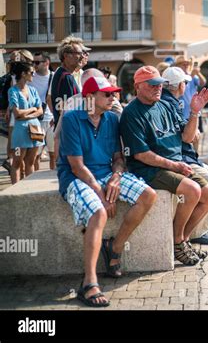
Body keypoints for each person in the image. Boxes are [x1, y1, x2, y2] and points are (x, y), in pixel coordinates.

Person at [57, 76, 157, 307]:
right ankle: (89, 283)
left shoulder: (112, 119)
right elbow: (76, 166)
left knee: (148, 195)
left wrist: (115, 177)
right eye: (108, 94)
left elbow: (118, 159)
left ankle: (115, 247)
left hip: (105, 173)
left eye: (114, 94)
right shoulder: (72, 119)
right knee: (98, 213)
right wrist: (101, 194)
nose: (113, 98)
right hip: (75, 178)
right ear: (90, 97)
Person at [119, 66, 208, 266]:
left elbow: (187, 137)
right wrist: (174, 165)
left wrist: (194, 112)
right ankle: (178, 241)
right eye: (152, 84)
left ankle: (181, 241)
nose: (158, 88)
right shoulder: (131, 113)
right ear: (137, 86)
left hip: (175, 165)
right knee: (192, 190)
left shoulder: (164, 105)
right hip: (150, 169)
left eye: (160, 84)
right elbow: (141, 154)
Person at [162, 66, 208, 245]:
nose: (186, 86)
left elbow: (187, 134)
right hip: (178, 159)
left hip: (180, 157)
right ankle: (197, 232)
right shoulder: (170, 103)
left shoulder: (172, 102)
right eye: (185, 83)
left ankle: (204, 223)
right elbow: (188, 137)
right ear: (180, 85)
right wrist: (195, 115)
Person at [8, 61, 44, 184]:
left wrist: (27, 114)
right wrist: (33, 109)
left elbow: (40, 111)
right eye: (31, 72)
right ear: (23, 74)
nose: (33, 74)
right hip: (20, 132)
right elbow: (17, 113)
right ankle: (15, 191)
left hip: (36, 129)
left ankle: (30, 189)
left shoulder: (33, 90)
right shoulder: (13, 91)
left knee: (31, 162)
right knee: (17, 162)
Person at [2, 50, 34, 174]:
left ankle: (16, 164)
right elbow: (10, 91)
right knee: (13, 140)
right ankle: (11, 161)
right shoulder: (15, 74)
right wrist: (9, 109)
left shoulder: (31, 72)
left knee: (28, 145)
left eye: (21, 57)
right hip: (17, 111)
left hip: (30, 111)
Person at [30, 52, 55, 170]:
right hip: (35, 120)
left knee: (53, 154)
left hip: (51, 120)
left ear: (46, 63)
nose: (34, 65)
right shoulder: (30, 77)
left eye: (36, 62)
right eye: (33, 62)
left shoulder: (54, 76)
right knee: (35, 155)